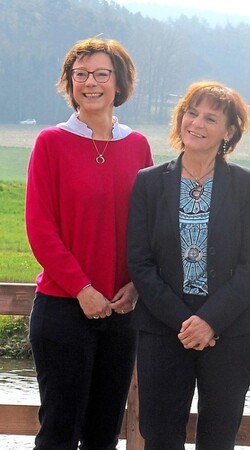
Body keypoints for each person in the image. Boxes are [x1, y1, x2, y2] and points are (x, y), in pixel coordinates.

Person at [25, 37, 153, 449]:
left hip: (121, 311)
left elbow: (148, 227)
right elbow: (41, 230)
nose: (90, 82)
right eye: (80, 74)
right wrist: (82, 289)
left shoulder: (138, 146)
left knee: (104, 436)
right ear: (70, 82)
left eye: (101, 74)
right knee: (59, 432)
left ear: (119, 82)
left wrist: (135, 285)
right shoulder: (51, 142)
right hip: (64, 308)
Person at [127, 81, 250, 449]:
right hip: (163, 328)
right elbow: (139, 262)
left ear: (229, 131)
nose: (197, 123)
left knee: (218, 438)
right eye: (191, 113)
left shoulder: (247, 184)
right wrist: (184, 322)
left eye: (210, 118)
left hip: (229, 328)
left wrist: (210, 321)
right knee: (158, 436)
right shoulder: (149, 183)